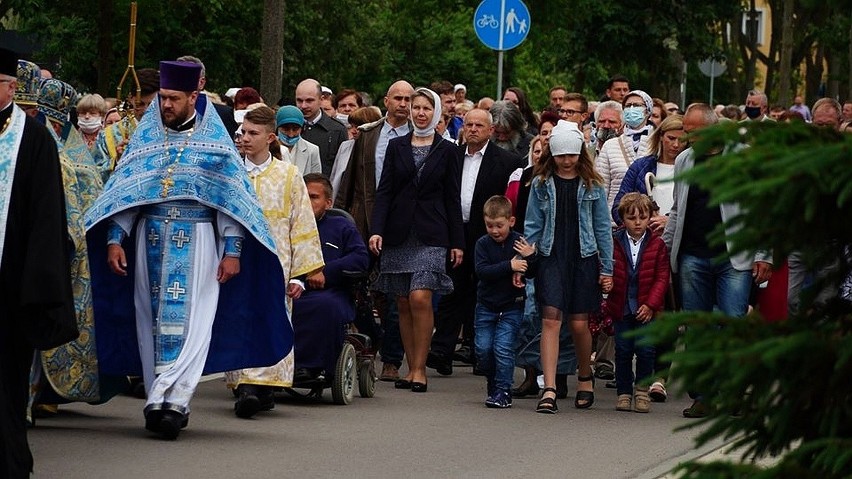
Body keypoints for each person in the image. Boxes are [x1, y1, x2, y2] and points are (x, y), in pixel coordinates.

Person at [84, 61, 292, 439]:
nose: (165, 105)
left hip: (198, 241)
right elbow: (127, 194)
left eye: (173, 98)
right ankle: (155, 398)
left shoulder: (216, 145)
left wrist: (233, 250)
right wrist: (115, 239)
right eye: (162, 98)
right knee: (149, 320)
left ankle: (175, 401)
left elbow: (230, 202)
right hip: (148, 237)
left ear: (193, 97)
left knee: (193, 323)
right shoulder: (147, 140)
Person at [662, 103, 772, 418]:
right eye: (686, 132)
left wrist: (764, 253)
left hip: (733, 257)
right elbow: (677, 209)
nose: (687, 139)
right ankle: (703, 395)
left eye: (694, 133)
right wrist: (665, 249)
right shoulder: (684, 160)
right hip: (693, 256)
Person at [0, 46, 77, 479]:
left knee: (6, 380)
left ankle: (10, 462)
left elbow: (48, 218)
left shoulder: (33, 140)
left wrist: (39, 285)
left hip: (10, 282)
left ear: (11, 87)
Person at [223, 106, 324, 418]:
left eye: (253, 133)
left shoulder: (288, 175)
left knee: (270, 320)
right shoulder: (231, 173)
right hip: (237, 263)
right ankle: (245, 387)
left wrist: (300, 276)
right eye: (243, 132)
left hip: (275, 265)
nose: (245, 138)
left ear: (270, 138)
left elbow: (302, 223)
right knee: (238, 320)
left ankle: (261, 389)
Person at [368, 87, 464, 393]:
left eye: (426, 108)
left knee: (421, 297)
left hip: (433, 234)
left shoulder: (447, 150)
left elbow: (453, 199)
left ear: (435, 113)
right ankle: (409, 368)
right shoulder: (396, 146)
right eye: (416, 107)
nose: (420, 112)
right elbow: (384, 192)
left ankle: (421, 369)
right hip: (398, 232)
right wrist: (377, 229)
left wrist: (457, 241)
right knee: (403, 301)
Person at [524, 120, 613, 413]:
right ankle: (548, 387)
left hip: (583, 257)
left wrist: (607, 268)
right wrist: (524, 263)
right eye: (561, 155)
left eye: (571, 155)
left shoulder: (593, 184)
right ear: (552, 154)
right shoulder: (540, 184)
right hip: (551, 257)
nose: (566, 161)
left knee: (578, 323)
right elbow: (533, 226)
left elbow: (602, 228)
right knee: (550, 320)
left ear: (580, 153)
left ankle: (584, 377)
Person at [428, 107, 524, 376]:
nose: (472, 129)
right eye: (468, 124)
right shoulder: (451, 156)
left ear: (490, 130)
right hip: (455, 231)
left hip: (489, 234)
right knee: (451, 289)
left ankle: (479, 351)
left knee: (485, 289)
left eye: (478, 125)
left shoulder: (507, 160)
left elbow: (511, 200)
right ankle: (442, 350)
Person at [335, 80, 413, 382]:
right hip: (362, 220)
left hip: (399, 225)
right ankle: (371, 338)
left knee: (395, 293)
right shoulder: (369, 136)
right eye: (398, 98)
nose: (403, 104)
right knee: (355, 286)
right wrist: (339, 218)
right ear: (386, 101)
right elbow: (351, 181)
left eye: (408, 99)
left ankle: (392, 359)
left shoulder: (419, 138)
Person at [291, 174, 369, 384]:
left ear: (328, 203)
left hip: (330, 292)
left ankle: (309, 367)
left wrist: (325, 272)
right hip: (290, 288)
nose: (307, 201)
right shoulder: (287, 225)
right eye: (303, 196)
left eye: (314, 197)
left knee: (324, 306)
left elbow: (360, 259)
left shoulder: (341, 227)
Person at [607, 193, 669, 413]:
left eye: (642, 217)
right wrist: (606, 282)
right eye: (631, 218)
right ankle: (624, 391)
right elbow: (607, 268)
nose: (637, 222)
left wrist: (651, 304)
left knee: (646, 349)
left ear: (649, 218)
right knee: (622, 350)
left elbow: (662, 277)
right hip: (621, 305)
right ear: (622, 219)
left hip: (646, 307)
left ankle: (642, 389)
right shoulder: (614, 241)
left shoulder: (658, 244)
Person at [473, 195, 537, 409]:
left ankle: (503, 390)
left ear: (511, 221)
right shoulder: (482, 244)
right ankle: (493, 382)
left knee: (502, 347)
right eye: (489, 225)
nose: (494, 231)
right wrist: (509, 267)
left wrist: (531, 257)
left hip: (512, 305)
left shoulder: (520, 242)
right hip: (486, 306)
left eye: (499, 225)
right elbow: (482, 272)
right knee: (483, 348)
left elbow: (533, 272)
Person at [92, 67, 160, 182]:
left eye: (152, 104)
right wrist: (116, 161)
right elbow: (93, 176)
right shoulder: (108, 136)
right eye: (140, 104)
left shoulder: (171, 131)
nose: (146, 110)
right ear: (130, 99)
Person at [596, 89, 655, 218]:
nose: (632, 108)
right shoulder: (610, 146)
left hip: (650, 218)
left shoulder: (658, 144)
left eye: (637, 105)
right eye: (628, 106)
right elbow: (601, 189)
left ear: (648, 110)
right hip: (615, 219)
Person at [295, 78, 347, 176]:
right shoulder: (286, 128)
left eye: (309, 101)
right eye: (299, 101)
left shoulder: (337, 130)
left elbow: (342, 170)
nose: (303, 106)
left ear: (321, 99)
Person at [328, 106, 382, 195]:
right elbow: (335, 177)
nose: (353, 131)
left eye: (358, 127)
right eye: (352, 126)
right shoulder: (345, 146)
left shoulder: (380, 148)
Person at [275, 105, 322, 175]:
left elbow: (315, 180)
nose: (291, 134)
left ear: (301, 128)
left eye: (295, 129)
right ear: (277, 127)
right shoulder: (267, 148)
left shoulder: (312, 150)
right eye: (286, 129)